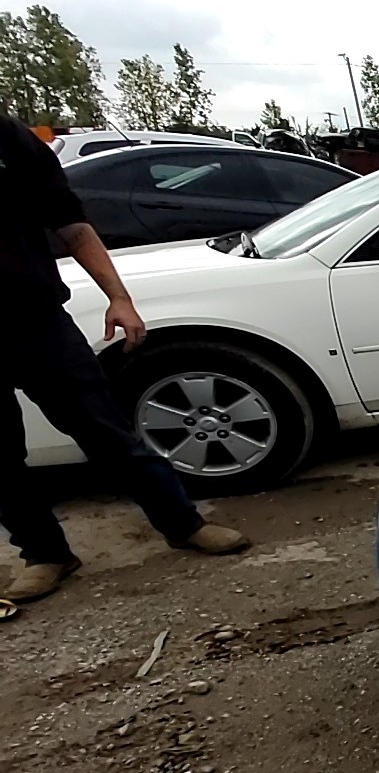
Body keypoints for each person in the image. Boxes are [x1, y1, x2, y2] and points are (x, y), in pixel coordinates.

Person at [1, 114, 249, 604]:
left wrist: (119, 297)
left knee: (106, 433)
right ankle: (45, 553)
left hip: (37, 322)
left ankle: (183, 524)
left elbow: (72, 226)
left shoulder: (8, 140)